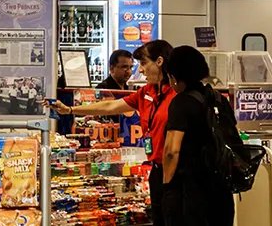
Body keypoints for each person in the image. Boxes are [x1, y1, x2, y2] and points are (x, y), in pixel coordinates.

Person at [49, 41, 174, 226]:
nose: (140, 70)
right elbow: (111, 106)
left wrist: (170, 180)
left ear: (160, 62)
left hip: (175, 172)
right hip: (156, 169)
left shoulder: (177, 94)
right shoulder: (146, 92)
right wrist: (70, 109)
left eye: (143, 63)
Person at [161, 45, 240, 226]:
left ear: (174, 76)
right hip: (221, 188)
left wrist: (167, 186)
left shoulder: (181, 103)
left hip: (191, 190)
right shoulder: (219, 99)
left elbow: (172, 150)